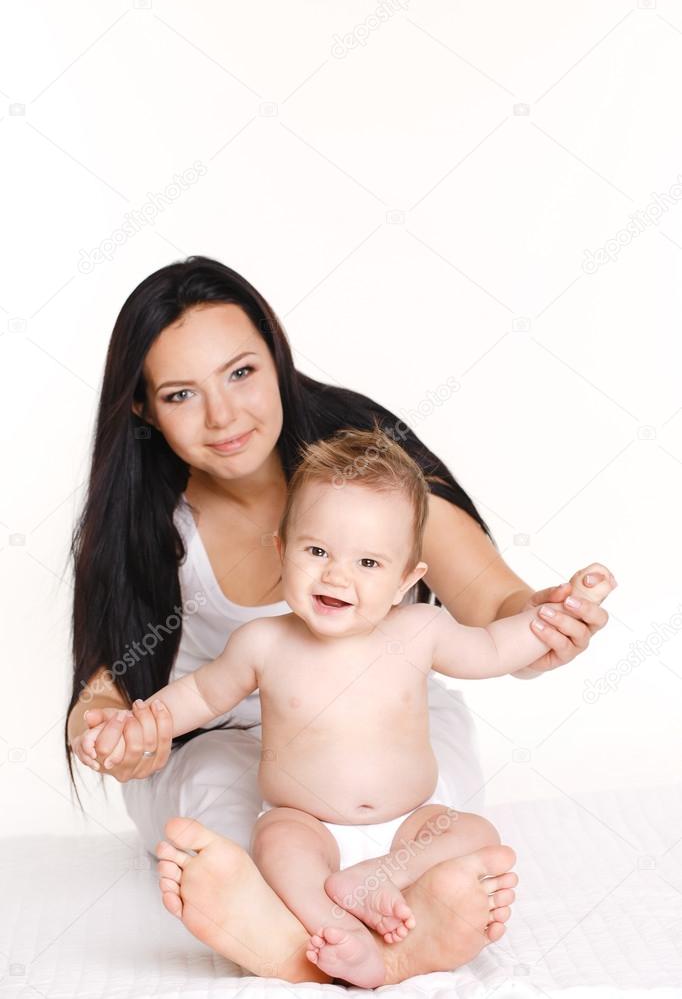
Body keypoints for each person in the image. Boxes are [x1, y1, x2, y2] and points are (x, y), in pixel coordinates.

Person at [65, 255, 615, 985]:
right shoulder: (146, 521)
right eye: (180, 393)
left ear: (277, 355)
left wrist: (543, 623)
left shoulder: (367, 469)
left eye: (241, 372)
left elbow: (492, 614)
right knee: (236, 824)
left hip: (392, 736)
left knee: (454, 821)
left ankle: (362, 922)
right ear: (142, 406)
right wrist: (113, 724)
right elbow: (142, 688)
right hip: (239, 750)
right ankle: (321, 934)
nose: (224, 415)